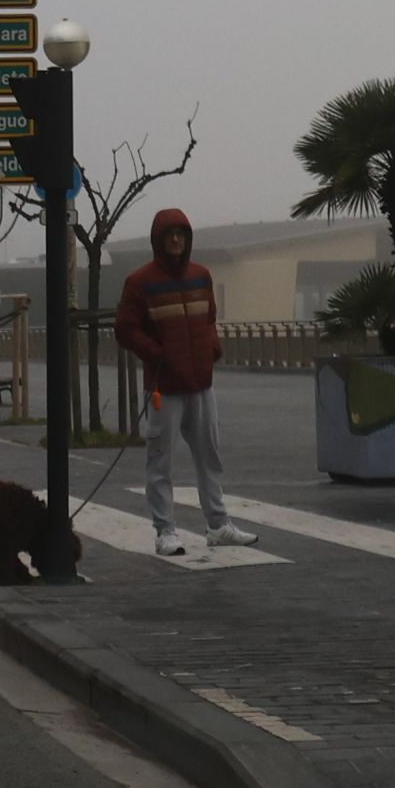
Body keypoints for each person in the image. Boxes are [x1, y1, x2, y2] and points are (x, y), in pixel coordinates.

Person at [115, 208, 259, 556]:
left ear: (188, 238)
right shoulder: (140, 282)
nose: (176, 240)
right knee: (160, 460)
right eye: (170, 234)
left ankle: (218, 524)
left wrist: (213, 347)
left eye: (181, 233)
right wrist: (156, 354)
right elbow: (125, 329)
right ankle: (165, 530)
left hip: (201, 384)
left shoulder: (201, 276)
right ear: (159, 240)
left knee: (210, 456)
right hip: (164, 387)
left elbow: (209, 317)